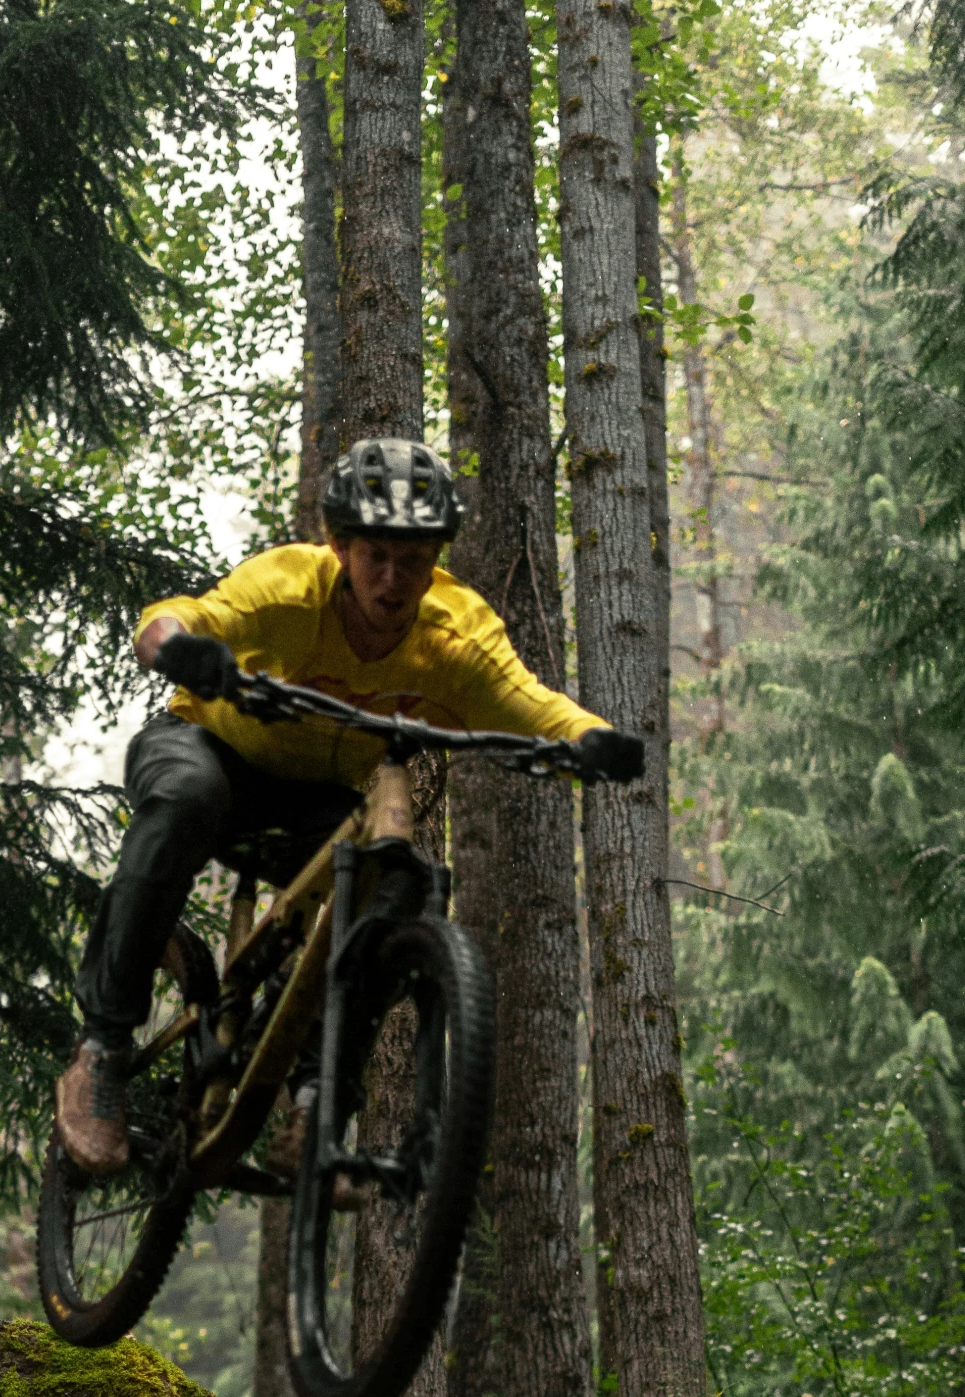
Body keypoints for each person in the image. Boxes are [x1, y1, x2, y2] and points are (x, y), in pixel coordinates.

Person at [55, 436, 642, 1176]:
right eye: (376, 557)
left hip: (315, 798)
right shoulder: (287, 587)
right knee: (186, 797)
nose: (394, 581)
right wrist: (180, 649)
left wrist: (594, 742)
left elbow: (528, 703)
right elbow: (178, 616)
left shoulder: (455, 632)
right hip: (205, 743)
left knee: (399, 884)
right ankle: (103, 1048)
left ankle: (316, 1098)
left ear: (436, 559)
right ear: (339, 545)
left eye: (414, 561)